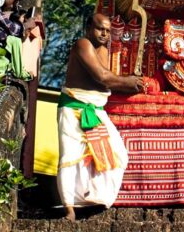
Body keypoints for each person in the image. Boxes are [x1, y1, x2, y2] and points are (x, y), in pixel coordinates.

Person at [58, 11, 143, 222]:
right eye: (100, 29)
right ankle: (69, 209)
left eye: (108, 30)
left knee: (117, 153)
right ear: (88, 27)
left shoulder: (103, 50)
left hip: (95, 110)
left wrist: (130, 85)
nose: (104, 34)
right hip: (74, 108)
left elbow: (104, 81)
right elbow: (102, 76)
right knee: (71, 157)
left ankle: (91, 198)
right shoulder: (83, 44)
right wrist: (129, 82)